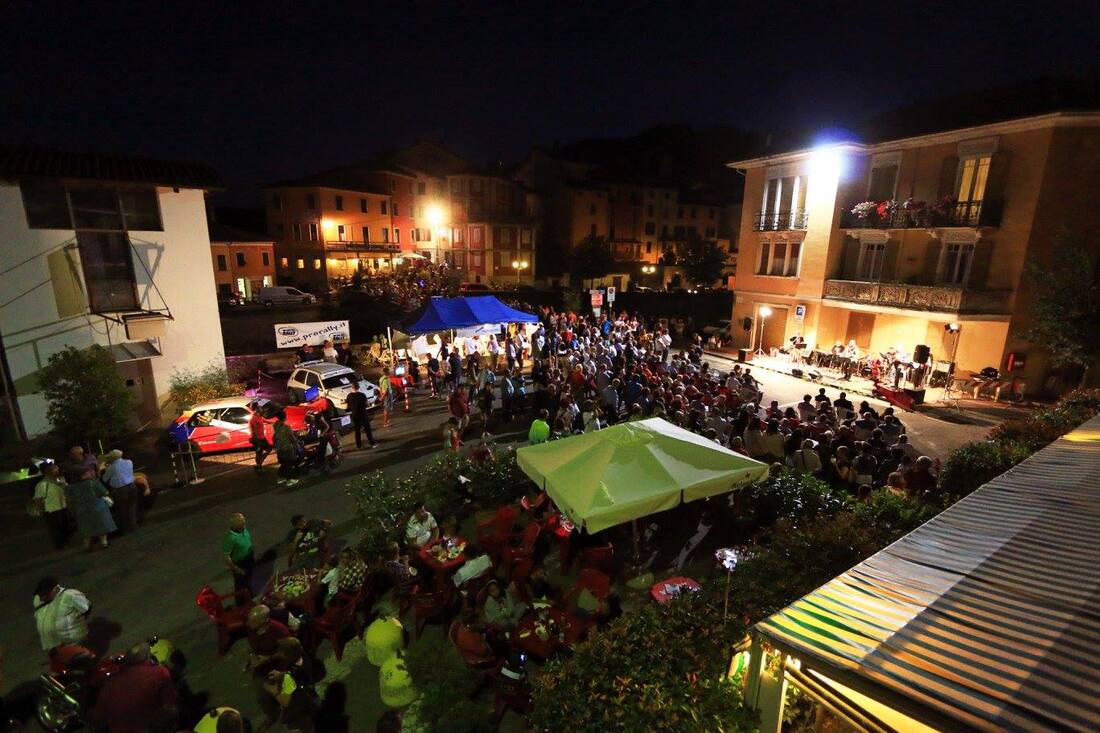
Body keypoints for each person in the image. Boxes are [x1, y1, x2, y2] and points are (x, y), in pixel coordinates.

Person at [89, 641, 177, 733]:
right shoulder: (160, 673)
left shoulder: (110, 684)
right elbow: (170, 707)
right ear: (148, 657)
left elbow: (98, 718)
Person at [33, 578, 91, 653]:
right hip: (56, 646)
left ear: (56, 589)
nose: (42, 598)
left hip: (76, 643)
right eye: (41, 595)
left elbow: (87, 609)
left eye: (45, 594)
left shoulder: (70, 595)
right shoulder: (39, 601)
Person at [65, 466, 115, 550]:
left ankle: (87, 546)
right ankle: (104, 543)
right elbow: (105, 492)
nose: (90, 473)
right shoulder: (93, 483)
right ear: (83, 475)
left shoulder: (69, 487)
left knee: (86, 528)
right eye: (88, 472)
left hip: (81, 510)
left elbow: (69, 499)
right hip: (97, 507)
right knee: (100, 526)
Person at [34, 460, 70, 550]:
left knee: (65, 526)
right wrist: (40, 510)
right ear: (48, 471)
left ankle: (65, 542)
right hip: (52, 510)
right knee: (57, 528)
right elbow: (38, 499)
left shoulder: (60, 480)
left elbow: (67, 491)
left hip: (63, 507)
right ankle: (60, 545)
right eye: (55, 469)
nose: (57, 471)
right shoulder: (42, 484)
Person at [102, 449, 139, 534]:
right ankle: (133, 526)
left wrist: (105, 469)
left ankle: (126, 528)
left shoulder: (112, 467)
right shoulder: (129, 462)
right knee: (132, 507)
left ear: (113, 458)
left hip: (121, 490)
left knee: (123, 509)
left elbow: (104, 479)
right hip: (132, 486)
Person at [223, 513, 255, 595]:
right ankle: (240, 600)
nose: (244, 524)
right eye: (241, 523)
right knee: (240, 585)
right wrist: (236, 568)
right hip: (240, 563)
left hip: (249, 559)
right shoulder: (230, 538)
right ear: (234, 525)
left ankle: (250, 596)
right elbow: (226, 556)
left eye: (244, 521)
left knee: (249, 579)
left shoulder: (243, 529)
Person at [272, 411, 302, 487]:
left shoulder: (275, 426)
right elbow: (292, 438)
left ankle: (281, 477)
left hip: (279, 448)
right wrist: (297, 446)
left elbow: (275, 437)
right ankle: (289, 480)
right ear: (285, 418)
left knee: (283, 463)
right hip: (287, 447)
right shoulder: (286, 427)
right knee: (289, 464)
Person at [345, 382, 377, 449]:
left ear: (352, 387)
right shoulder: (362, 395)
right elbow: (367, 404)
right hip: (363, 413)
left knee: (357, 430)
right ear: (358, 387)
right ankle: (372, 443)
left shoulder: (349, 396)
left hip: (355, 415)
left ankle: (359, 445)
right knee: (367, 429)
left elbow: (347, 407)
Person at [249, 402, 274, 472]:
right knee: (259, 453)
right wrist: (258, 442)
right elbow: (255, 431)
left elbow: (262, 420)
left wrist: (270, 422)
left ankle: (259, 465)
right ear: (256, 408)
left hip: (262, 437)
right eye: (258, 407)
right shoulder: (253, 418)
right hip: (258, 439)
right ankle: (259, 466)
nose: (260, 407)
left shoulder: (258, 415)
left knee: (264, 451)